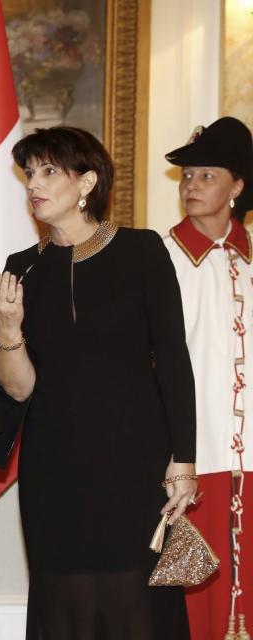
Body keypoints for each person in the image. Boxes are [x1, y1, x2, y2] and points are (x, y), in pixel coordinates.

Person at [0, 126, 197, 639]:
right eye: (29, 173)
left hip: (135, 463)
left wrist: (182, 461)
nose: (34, 183)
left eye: (50, 171)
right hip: (55, 466)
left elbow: (173, 359)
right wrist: (7, 329)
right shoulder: (20, 270)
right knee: (64, 603)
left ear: (87, 182)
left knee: (134, 602)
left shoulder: (142, 251)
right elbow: (19, 386)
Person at [161, 116, 253, 638]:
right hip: (192, 459)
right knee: (191, 603)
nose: (192, 186)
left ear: (237, 186)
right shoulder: (158, 258)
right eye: (188, 176)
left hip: (251, 458)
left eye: (207, 175)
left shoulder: (250, 262)